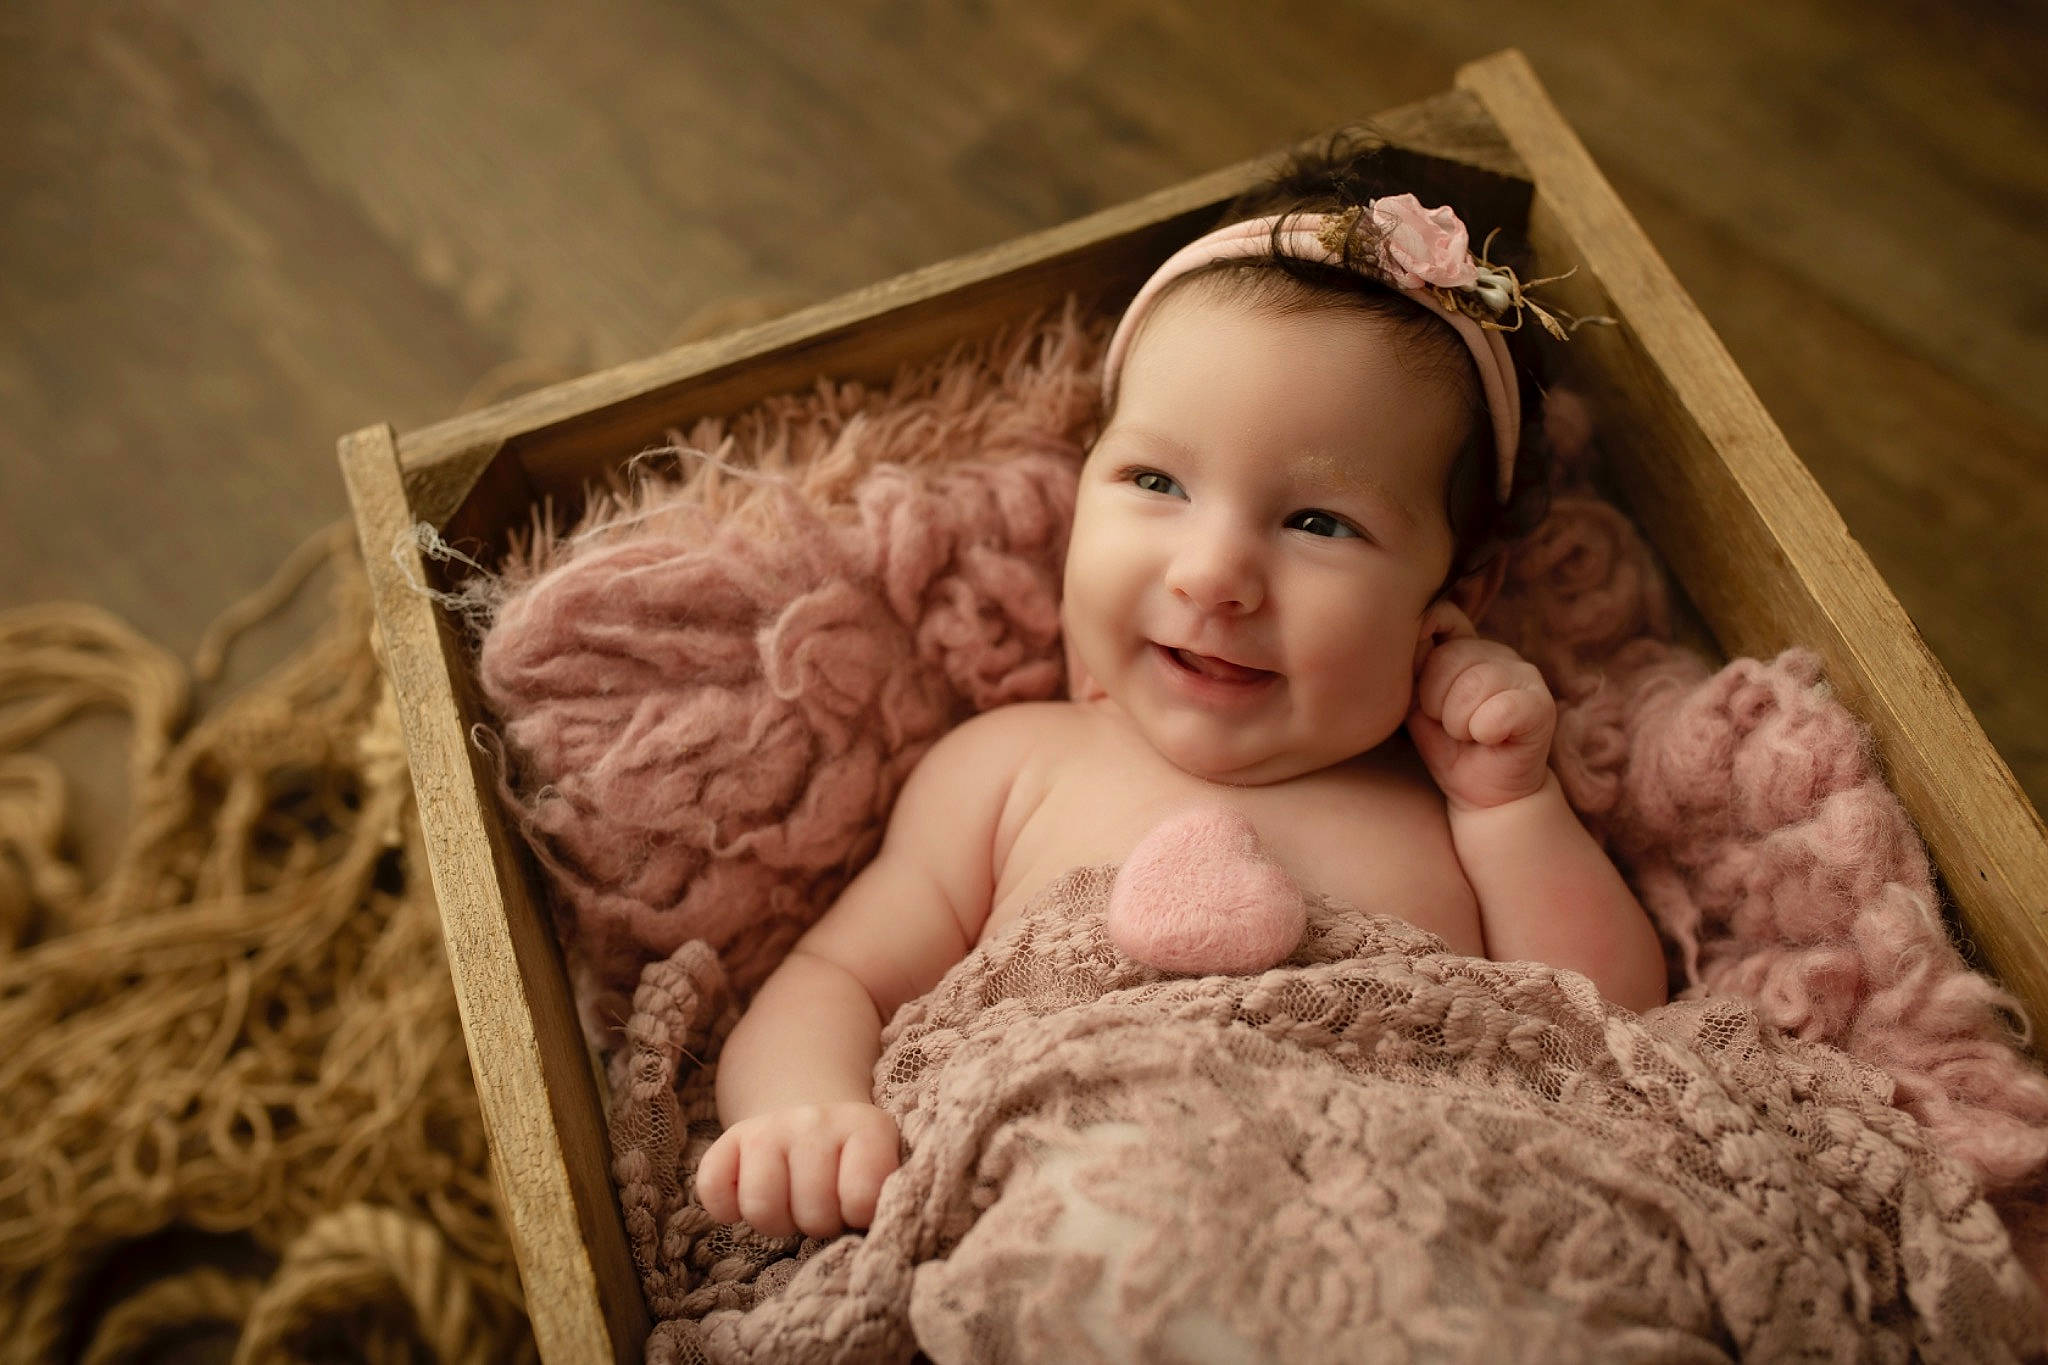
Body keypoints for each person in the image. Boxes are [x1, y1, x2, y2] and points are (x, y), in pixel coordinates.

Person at [695, 135, 1670, 1242]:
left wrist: (1511, 806)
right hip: (1061, 1212)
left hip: (1392, 1220)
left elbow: (1607, 1027)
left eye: (1318, 523)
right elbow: (834, 977)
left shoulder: (1450, 805)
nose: (1210, 575)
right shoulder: (1011, 762)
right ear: (1079, 494)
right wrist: (805, 1110)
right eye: (1154, 481)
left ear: (1455, 594)